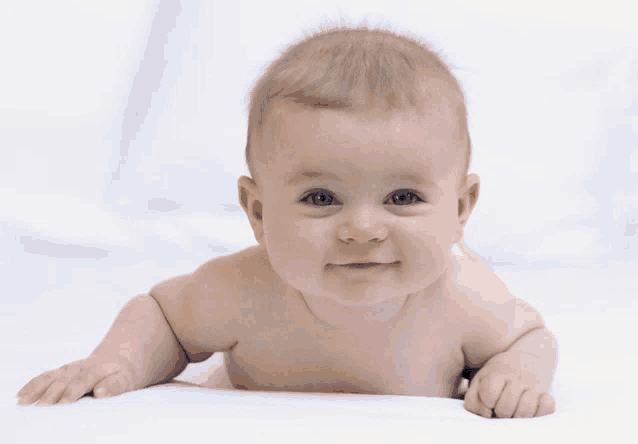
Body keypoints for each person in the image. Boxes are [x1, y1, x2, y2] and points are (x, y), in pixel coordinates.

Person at [16, 24, 557, 419]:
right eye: (321, 198)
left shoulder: (464, 298)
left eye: (403, 196)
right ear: (257, 212)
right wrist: (117, 362)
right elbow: (163, 316)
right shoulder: (242, 290)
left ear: (461, 209)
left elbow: (530, 337)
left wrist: (517, 373)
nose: (363, 228)